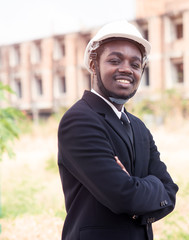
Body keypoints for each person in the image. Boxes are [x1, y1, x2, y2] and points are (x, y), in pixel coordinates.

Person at [57, 20, 178, 240]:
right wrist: (150, 186)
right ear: (93, 65)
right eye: (114, 60)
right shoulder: (79, 120)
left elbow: (169, 191)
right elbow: (123, 196)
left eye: (135, 64)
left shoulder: (139, 127)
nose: (126, 69)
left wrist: (136, 188)